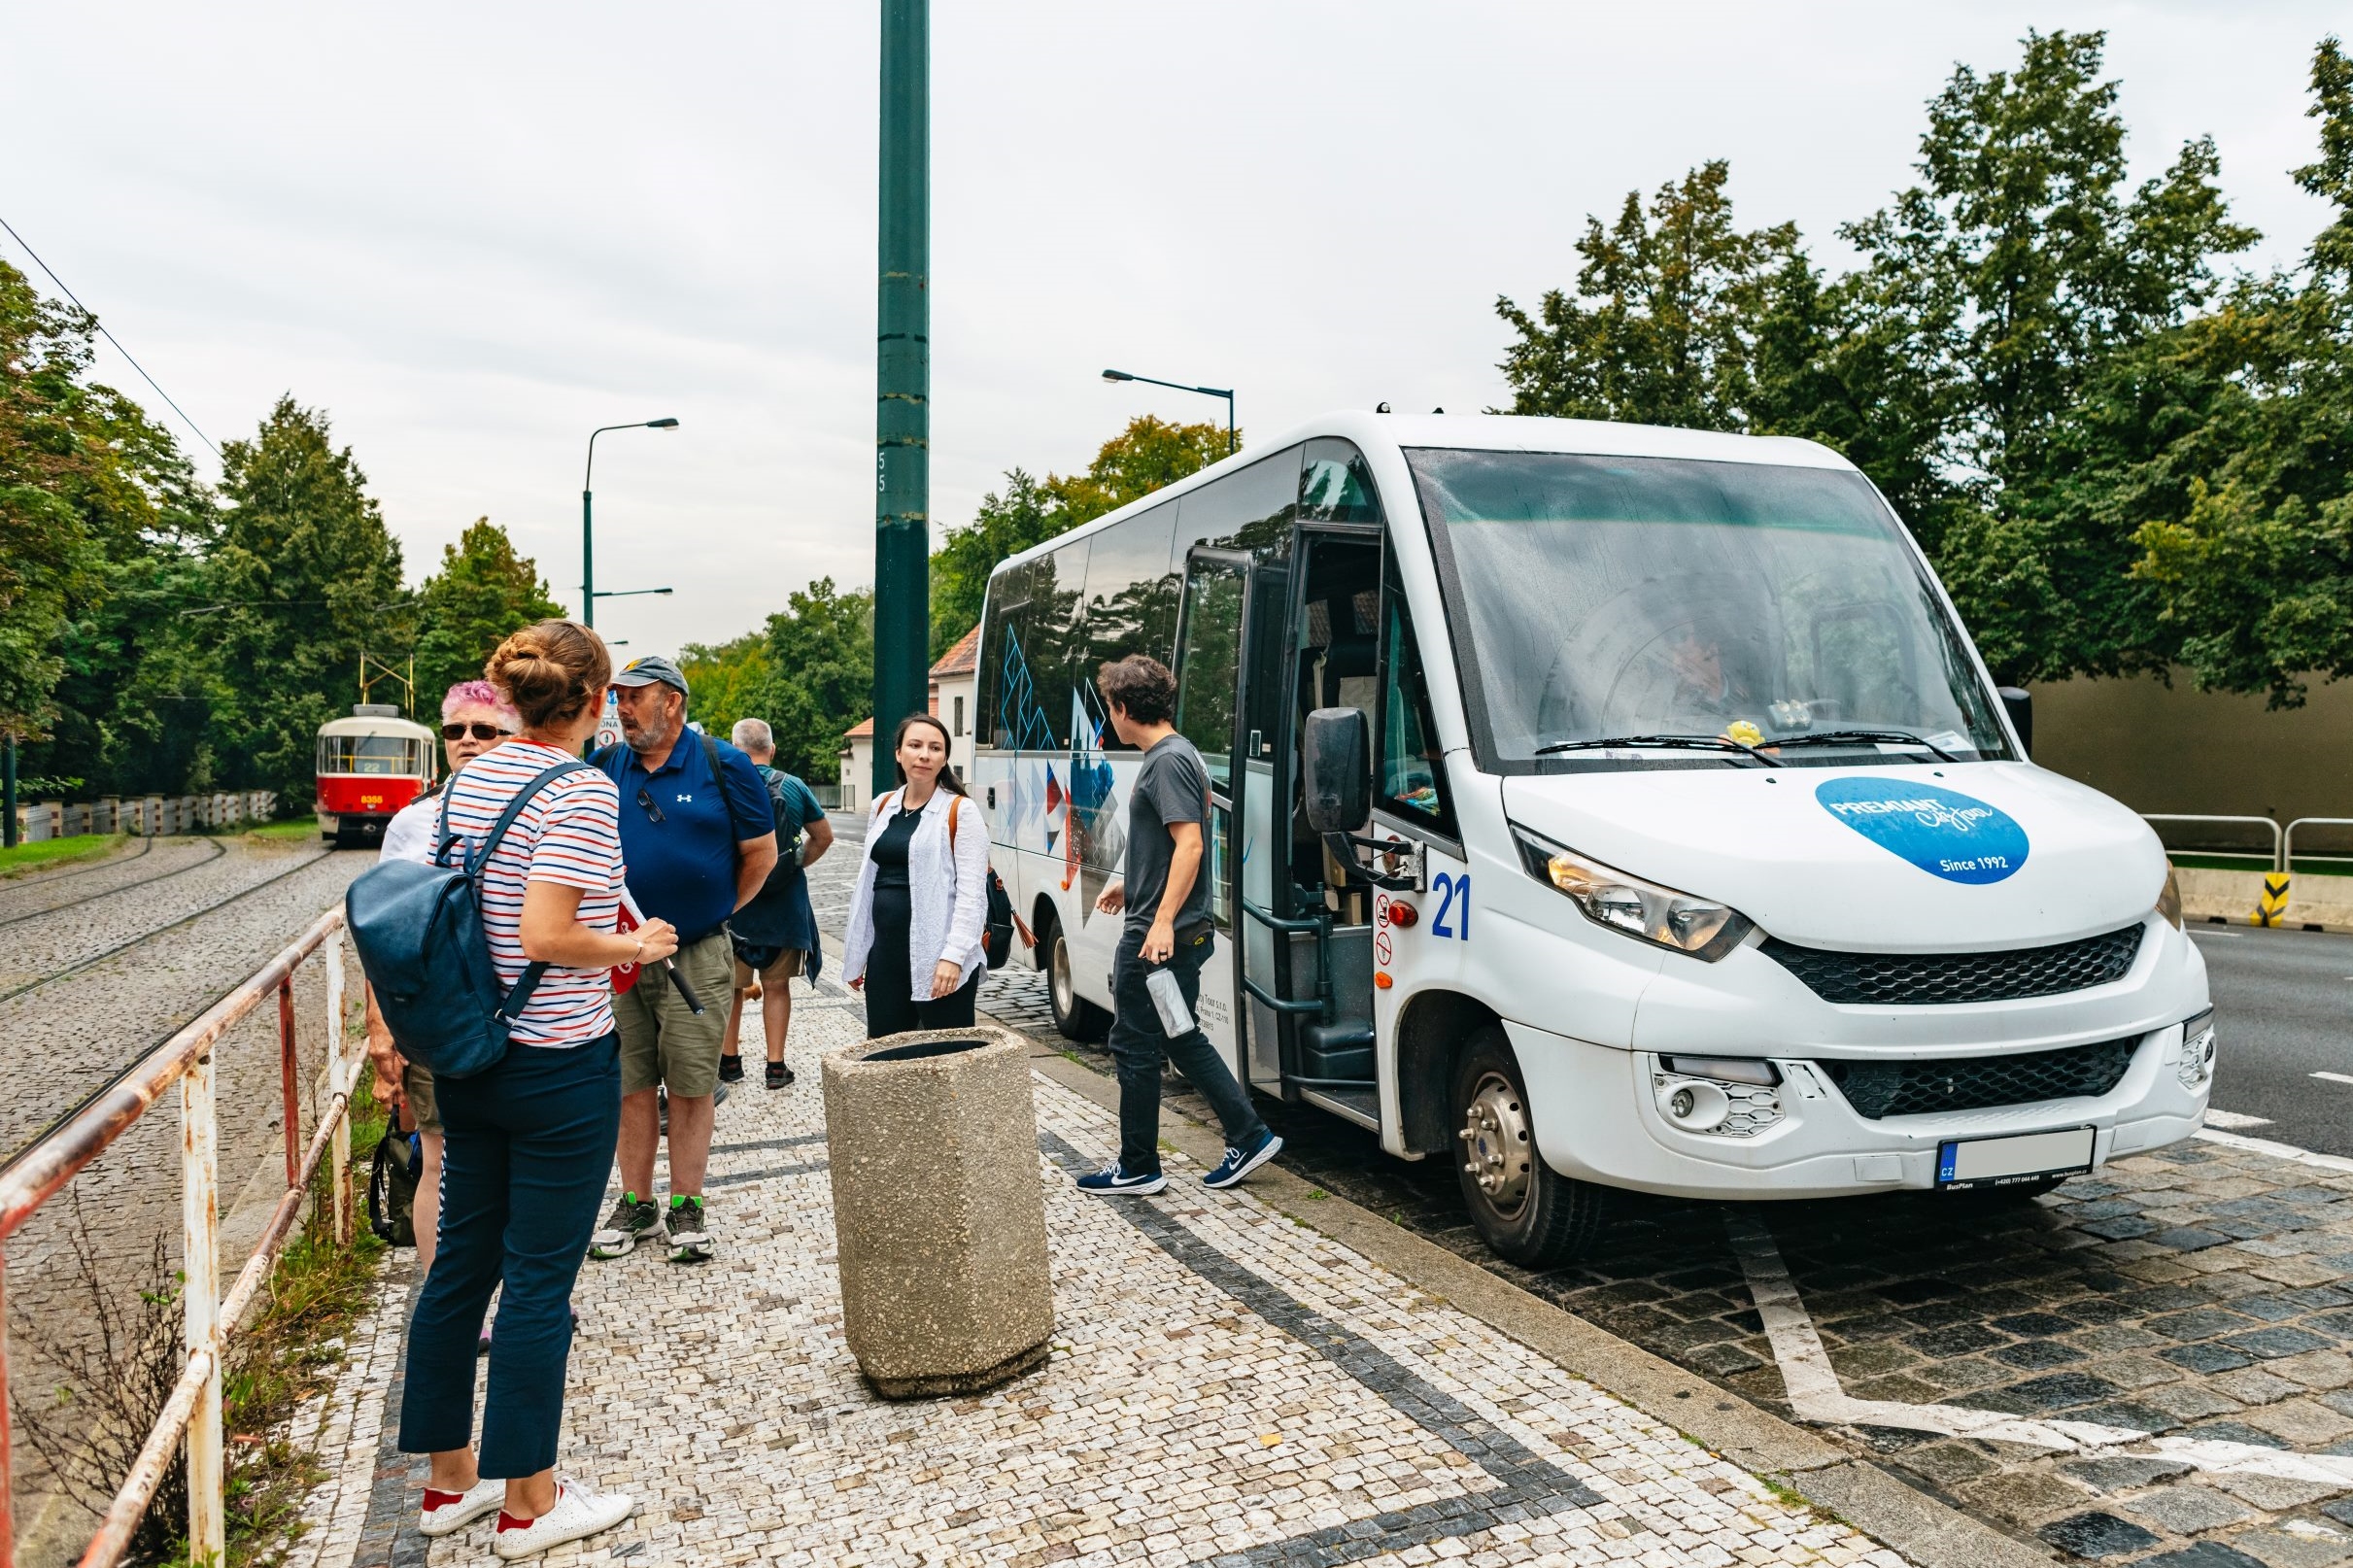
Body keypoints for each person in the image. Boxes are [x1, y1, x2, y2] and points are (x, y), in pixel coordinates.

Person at [401, 620, 674, 1559]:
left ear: (511, 701)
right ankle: (530, 1504)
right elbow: (549, 933)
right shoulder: (582, 792)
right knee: (537, 1282)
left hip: (470, 1057)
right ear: (596, 703)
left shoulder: (461, 786)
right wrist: (634, 945)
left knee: (459, 1268)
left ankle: (446, 1485)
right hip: (556, 1064)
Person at [587, 656, 776, 1265]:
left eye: (633, 697)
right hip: (618, 954)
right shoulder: (605, 765)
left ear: (672, 701)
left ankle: (688, 1206)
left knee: (693, 1083)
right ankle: (637, 1201)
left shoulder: (725, 764)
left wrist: (712, 912)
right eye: (617, 698)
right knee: (630, 1082)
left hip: (695, 952)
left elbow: (761, 854)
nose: (622, 708)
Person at [1077, 656, 1281, 1197]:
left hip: (1157, 939)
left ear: (1123, 709)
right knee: (1180, 1034)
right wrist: (1133, 882)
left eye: (1109, 710)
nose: (1109, 720)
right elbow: (1172, 847)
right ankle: (1249, 1132)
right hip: (1168, 927)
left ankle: (1139, 1164)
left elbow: (1190, 844)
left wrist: (1160, 919)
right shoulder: (1180, 751)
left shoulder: (1165, 761)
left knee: (1134, 1045)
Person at [365, 681, 519, 1280]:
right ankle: (448, 1298)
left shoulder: (540, 810)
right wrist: (382, 1030)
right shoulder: (414, 823)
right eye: (456, 731)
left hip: (525, 1015)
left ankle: (524, 1294)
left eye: (485, 730)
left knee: (517, 1164)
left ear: (514, 736)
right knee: (440, 1161)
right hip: (445, 1020)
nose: (468, 741)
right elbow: (385, 935)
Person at [842, 713, 989, 1037]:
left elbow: (972, 895)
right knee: (884, 1055)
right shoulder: (883, 806)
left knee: (947, 1056)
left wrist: (953, 957)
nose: (925, 754)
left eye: (935, 748)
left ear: (944, 758)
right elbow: (868, 884)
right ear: (898, 753)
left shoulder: (960, 811)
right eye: (915, 745)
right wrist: (858, 953)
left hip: (938, 957)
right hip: (886, 958)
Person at [719, 717, 833, 1088]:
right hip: (784, 902)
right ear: (772, 749)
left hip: (735, 902)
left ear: (734, 750)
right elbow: (823, 836)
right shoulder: (795, 786)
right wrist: (796, 863)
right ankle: (776, 1067)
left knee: (731, 988)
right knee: (777, 986)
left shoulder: (723, 783)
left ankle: (730, 1062)